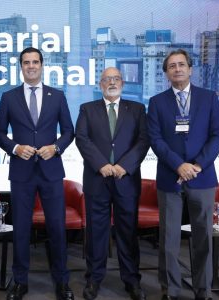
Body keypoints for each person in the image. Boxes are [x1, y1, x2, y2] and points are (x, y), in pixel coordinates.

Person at [0, 47, 75, 300]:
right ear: (21, 66)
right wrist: (16, 148)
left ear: (42, 65)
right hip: (21, 172)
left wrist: (56, 147)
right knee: (20, 228)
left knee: (57, 228)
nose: (31, 66)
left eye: (35, 62)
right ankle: (20, 282)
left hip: (51, 171)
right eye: (26, 62)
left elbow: (69, 131)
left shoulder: (57, 96)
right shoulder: (8, 97)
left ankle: (62, 281)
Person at [146, 49, 219, 300]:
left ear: (190, 69)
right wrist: (179, 165)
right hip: (170, 177)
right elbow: (155, 139)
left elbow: (218, 134)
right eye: (172, 66)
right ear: (166, 73)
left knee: (203, 237)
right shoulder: (157, 102)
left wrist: (198, 165)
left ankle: (203, 290)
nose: (177, 69)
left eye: (182, 64)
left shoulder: (208, 97)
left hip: (202, 178)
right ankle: (170, 290)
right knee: (168, 239)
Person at [75, 67, 150, 300]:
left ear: (123, 83)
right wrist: (101, 164)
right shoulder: (87, 109)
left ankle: (131, 280)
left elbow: (143, 140)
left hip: (126, 180)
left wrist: (123, 166)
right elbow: (82, 138)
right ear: (100, 84)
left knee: (127, 232)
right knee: (97, 233)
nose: (112, 82)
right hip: (97, 180)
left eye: (116, 79)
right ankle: (94, 279)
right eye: (107, 79)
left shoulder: (137, 109)